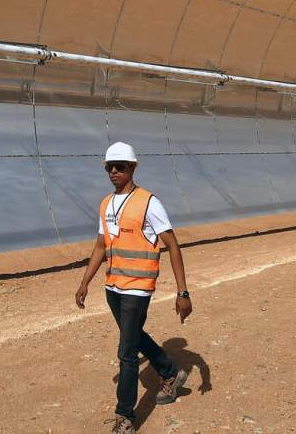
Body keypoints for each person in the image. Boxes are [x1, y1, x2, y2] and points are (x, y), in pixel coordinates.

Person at [75, 142, 193, 434]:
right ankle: (169, 370)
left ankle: (125, 417)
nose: (114, 171)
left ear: (133, 168)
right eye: (109, 167)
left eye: (120, 166)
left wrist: (183, 292)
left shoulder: (149, 203)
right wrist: (85, 282)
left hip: (138, 288)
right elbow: (101, 245)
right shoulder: (105, 204)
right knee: (134, 337)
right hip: (113, 286)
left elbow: (172, 244)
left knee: (126, 353)